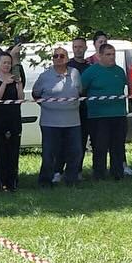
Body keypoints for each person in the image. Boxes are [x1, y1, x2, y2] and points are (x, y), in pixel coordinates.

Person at [33, 46, 83, 187]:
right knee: (49, 154)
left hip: (73, 122)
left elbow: (80, 91)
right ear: (52, 59)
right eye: (56, 56)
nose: (59, 58)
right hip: (50, 123)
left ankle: (71, 180)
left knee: (76, 152)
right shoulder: (45, 76)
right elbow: (36, 95)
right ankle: (45, 181)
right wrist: (48, 107)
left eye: (62, 56)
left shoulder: (75, 73)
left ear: (67, 58)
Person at [80, 42, 127, 180]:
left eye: (113, 54)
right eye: (108, 54)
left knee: (118, 146)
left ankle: (117, 174)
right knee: (100, 147)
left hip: (118, 114)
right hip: (98, 116)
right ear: (99, 56)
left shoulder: (119, 71)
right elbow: (81, 89)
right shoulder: (91, 72)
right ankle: (99, 174)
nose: (112, 57)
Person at [0, 52, 24, 190]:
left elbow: (20, 99)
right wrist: (4, 83)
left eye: (9, 63)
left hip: (14, 118)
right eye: (4, 63)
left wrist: (19, 84)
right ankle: (1, 183)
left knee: (13, 152)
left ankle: (13, 183)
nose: (7, 65)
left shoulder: (15, 79)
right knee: (1, 152)